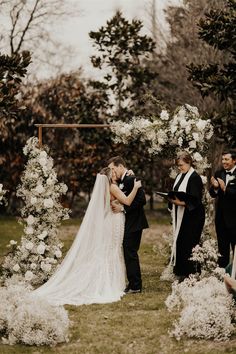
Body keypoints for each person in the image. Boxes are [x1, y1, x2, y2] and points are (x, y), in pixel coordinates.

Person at [32, 167, 141, 306]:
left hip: (112, 220)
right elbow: (127, 201)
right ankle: (107, 282)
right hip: (114, 221)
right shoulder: (112, 187)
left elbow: (117, 200)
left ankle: (109, 281)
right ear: (109, 176)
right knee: (112, 250)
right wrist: (136, 187)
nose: (115, 174)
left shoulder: (107, 187)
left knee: (111, 250)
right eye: (113, 173)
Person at [108, 156, 149, 294]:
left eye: (113, 169)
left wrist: (123, 209)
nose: (112, 172)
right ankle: (132, 283)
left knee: (130, 252)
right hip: (128, 223)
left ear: (120, 166)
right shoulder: (123, 180)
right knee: (128, 251)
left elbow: (142, 200)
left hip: (135, 222)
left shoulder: (131, 179)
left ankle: (135, 285)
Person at [168, 151, 205, 279]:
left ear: (189, 163)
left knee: (189, 242)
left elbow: (195, 199)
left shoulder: (194, 177)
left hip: (193, 216)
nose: (180, 168)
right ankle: (181, 271)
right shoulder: (180, 176)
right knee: (181, 241)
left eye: (182, 165)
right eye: (178, 165)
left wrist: (180, 202)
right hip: (181, 213)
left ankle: (191, 272)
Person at [209, 149, 236, 268]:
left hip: (235, 219)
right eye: (223, 159)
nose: (223, 162)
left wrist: (225, 189)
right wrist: (215, 188)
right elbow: (213, 194)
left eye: (226, 159)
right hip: (221, 218)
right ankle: (222, 274)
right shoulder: (219, 173)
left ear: (234, 160)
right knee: (222, 248)